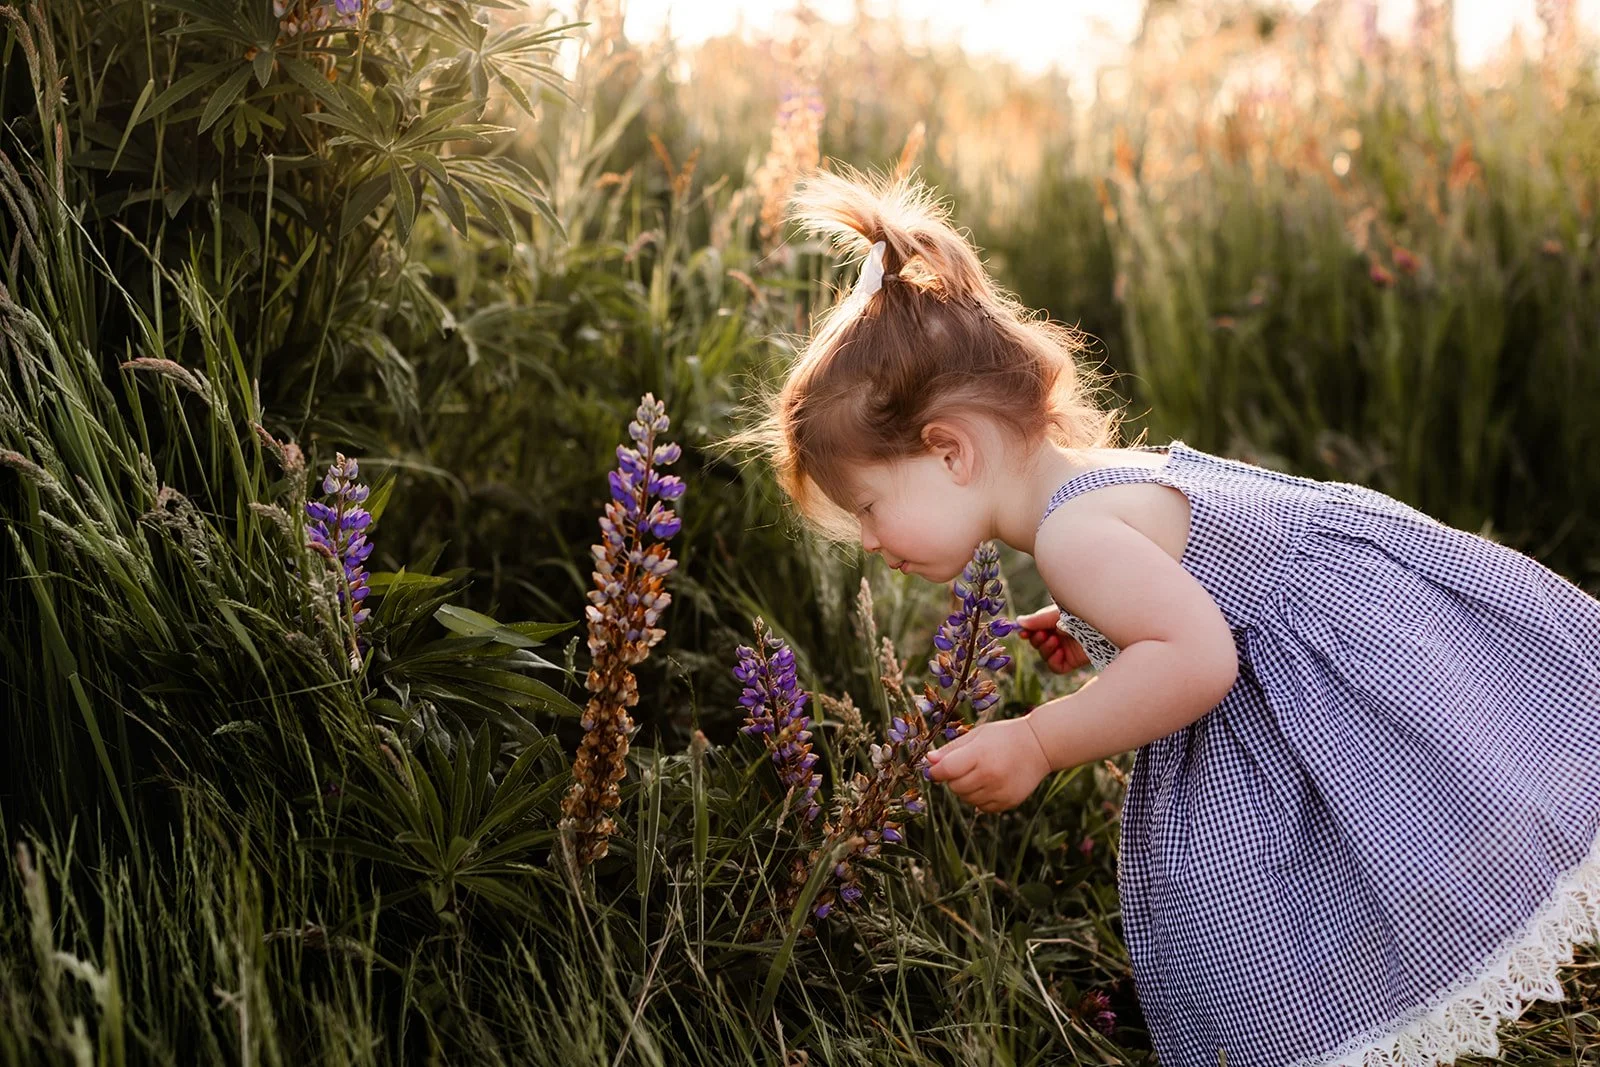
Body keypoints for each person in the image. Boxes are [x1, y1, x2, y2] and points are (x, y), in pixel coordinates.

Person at [729, 164, 1600, 1067]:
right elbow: (1181, 588)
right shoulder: (1086, 500)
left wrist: (1038, 741)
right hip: (1368, 628)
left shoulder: (1072, 537)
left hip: (1317, 666)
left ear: (949, 450)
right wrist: (1094, 624)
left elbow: (1197, 657)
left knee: (1244, 929)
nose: (870, 540)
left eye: (869, 506)